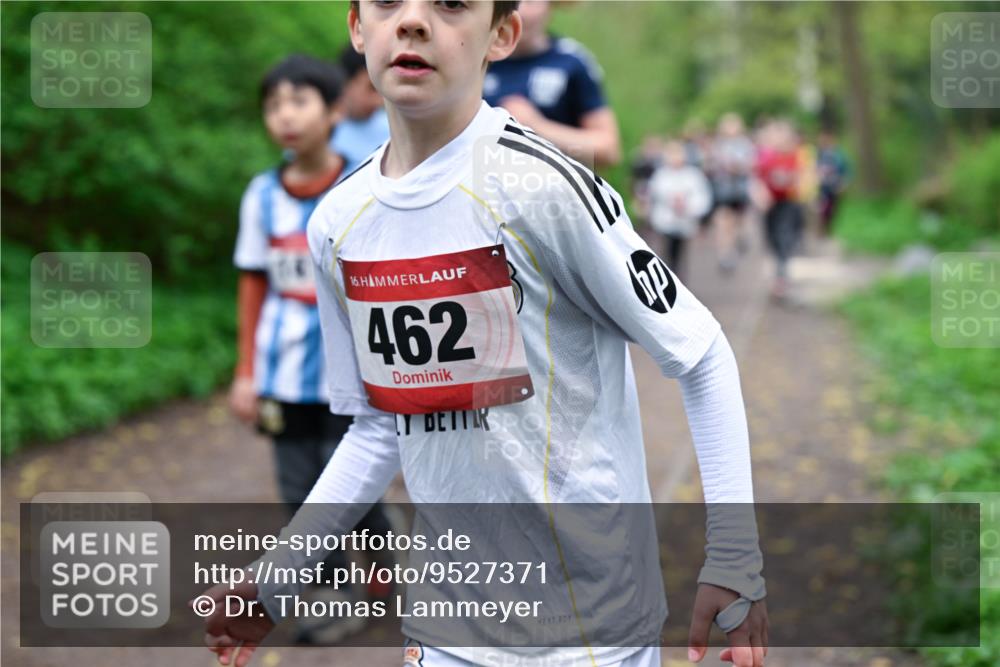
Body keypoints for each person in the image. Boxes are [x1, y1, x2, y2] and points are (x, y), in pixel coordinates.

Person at [201, 4, 768, 667]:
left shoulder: (543, 188)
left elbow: (700, 353)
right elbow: (382, 426)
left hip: (590, 625)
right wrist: (279, 577)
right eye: (388, 2)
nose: (412, 21)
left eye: (448, 2)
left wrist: (735, 556)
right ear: (358, 27)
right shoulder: (338, 223)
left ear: (501, 34)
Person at [229, 53, 394, 643]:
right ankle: (326, 593)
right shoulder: (261, 196)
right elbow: (253, 281)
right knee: (299, 488)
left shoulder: (365, 185)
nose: (285, 117)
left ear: (333, 111)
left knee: (351, 479)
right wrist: (246, 371)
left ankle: (381, 568)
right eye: (273, 106)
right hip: (282, 376)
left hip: (351, 376)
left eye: (299, 102)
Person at [482, 0, 621, 167]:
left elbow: (608, 149)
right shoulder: (478, 59)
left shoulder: (573, 62)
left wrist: (536, 128)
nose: (522, 12)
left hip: (548, 188)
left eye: (531, 1)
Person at [647, 140, 713, 282]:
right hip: (666, 221)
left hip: (685, 222)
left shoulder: (692, 175)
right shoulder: (661, 175)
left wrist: (688, 206)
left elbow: (702, 198)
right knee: (668, 252)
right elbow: (655, 195)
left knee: (680, 253)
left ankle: (678, 280)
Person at [755, 120, 804, 299]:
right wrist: (761, 194)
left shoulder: (794, 155)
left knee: (785, 237)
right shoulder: (766, 157)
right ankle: (779, 272)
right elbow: (757, 178)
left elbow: (800, 177)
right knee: (772, 238)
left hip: (788, 203)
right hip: (770, 205)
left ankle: (782, 275)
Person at [710, 113, 756, 274]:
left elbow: (749, 165)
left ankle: (737, 243)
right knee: (723, 223)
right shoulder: (718, 145)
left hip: (740, 191)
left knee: (738, 222)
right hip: (724, 191)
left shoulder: (744, 144)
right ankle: (725, 254)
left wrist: (736, 166)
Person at [329, 45, 390, 166]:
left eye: (382, 89)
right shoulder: (317, 132)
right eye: (371, 88)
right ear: (346, 83)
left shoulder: (394, 132)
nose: (379, 101)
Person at [815, 129, 849, 236]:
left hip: (834, 186)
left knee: (833, 209)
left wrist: (844, 183)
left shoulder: (839, 155)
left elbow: (847, 170)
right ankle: (821, 228)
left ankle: (829, 228)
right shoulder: (818, 154)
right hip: (821, 187)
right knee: (822, 208)